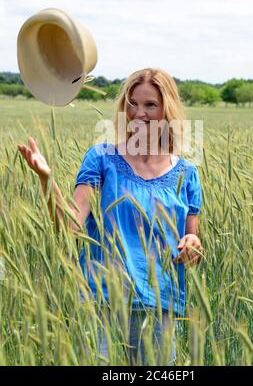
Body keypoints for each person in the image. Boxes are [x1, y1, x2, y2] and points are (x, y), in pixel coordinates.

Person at [17, 67, 203, 366]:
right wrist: (46, 180)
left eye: (150, 105)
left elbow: (192, 240)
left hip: (159, 304)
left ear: (167, 110)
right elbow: (71, 226)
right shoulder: (101, 159)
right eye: (132, 103)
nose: (138, 113)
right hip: (101, 301)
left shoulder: (187, 174)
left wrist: (192, 244)